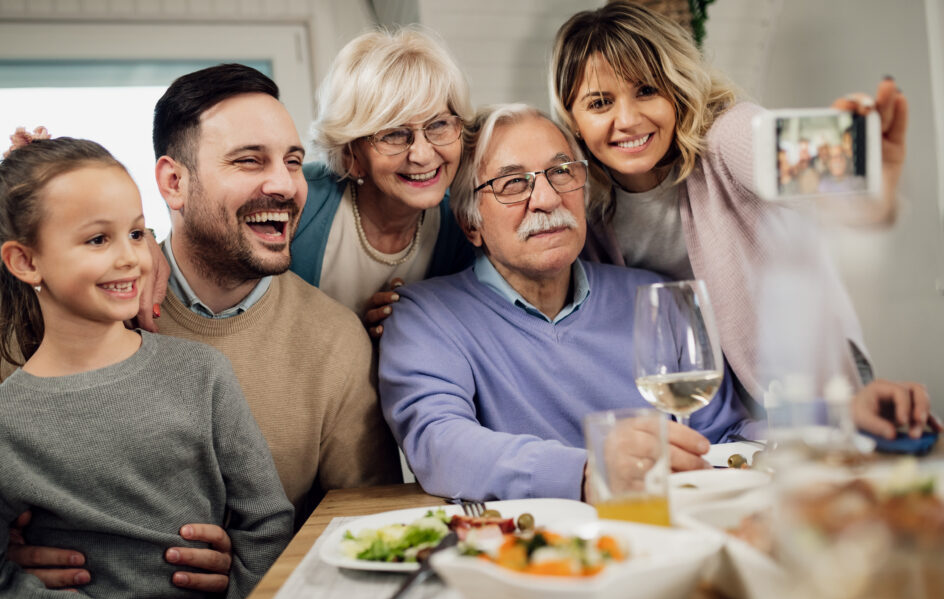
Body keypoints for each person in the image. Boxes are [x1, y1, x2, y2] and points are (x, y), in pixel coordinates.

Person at [0, 64, 400, 599]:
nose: (285, 185)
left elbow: (358, 525)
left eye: (291, 160)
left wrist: (255, 577)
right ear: (173, 182)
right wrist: (6, 557)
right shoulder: (70, 311)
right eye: (249, 161)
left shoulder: (332, 339)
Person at [0, 133, 293, 599]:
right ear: (25, 261)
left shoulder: (202, 375)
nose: (130, 255)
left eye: (135, 231)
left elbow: (265, 523)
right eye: (98, 239)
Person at [378, 104, 756, 502]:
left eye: (561, 172)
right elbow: (441, 445)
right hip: (532, 554)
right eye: (512, 184)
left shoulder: (658, 297)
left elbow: (726, 437)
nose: (546, 198)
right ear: (471, 224)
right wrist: (586, 472)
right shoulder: (424, 318)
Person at [549, 1, 908, 411]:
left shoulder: (724, 135)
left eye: (646, 90)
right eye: (600, 103)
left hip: (809, 382)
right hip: (713, 412)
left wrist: (855, 164)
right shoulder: (583, 200)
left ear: (676, 89)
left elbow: (794, 163)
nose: (627, 119)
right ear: (572, 117)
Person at [293, 27, 475, 338]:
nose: (421, 154)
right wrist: (356, 337)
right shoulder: (298, 200)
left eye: (439, 124)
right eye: (393, 133)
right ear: (352, 152)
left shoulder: (463, 224)